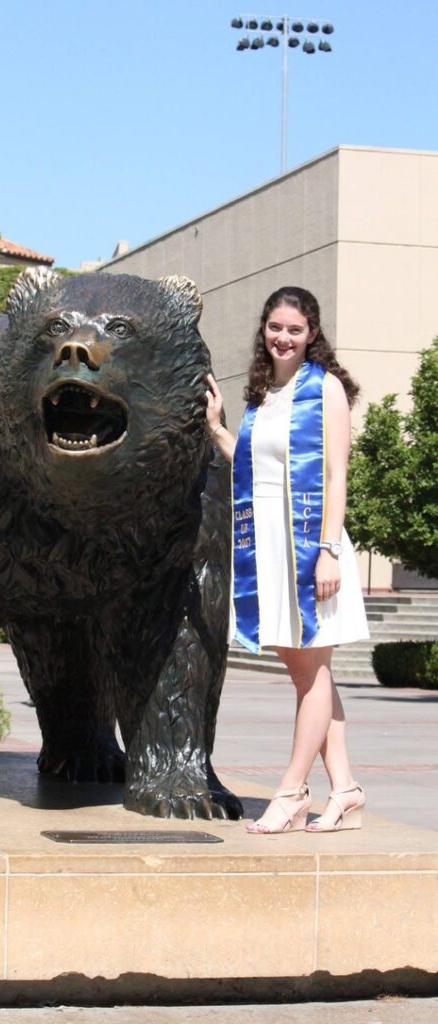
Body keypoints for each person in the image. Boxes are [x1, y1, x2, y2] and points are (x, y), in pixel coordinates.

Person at [205, 285, 369, 835]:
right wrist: (218, 428)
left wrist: (326, 552)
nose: (284, 337)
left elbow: (336, 476)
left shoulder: (326, 392)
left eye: (295, 329)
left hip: (310, 549)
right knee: (307, 673)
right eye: (276, 327)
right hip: (269, 550)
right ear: (265, 328)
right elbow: (253, 467)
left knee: (313, 671)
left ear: (312, 334)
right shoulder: (262, 395)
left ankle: (292, 791)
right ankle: (344, 790)